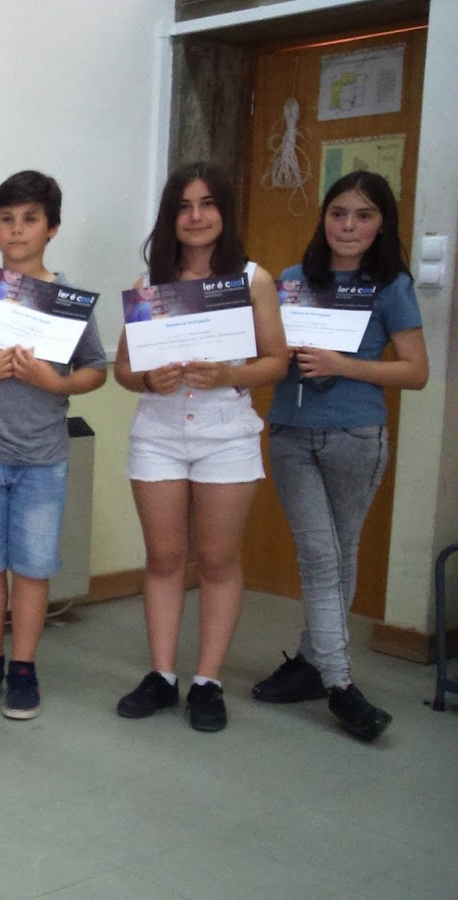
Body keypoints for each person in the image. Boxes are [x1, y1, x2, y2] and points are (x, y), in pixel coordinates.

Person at [251, 171, 427, 742]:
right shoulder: (292, 282)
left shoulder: (391, 285)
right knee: (319, 553)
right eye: (338, 213)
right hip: (291, 434)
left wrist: (341, 364)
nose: (348, 226)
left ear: (382, 225)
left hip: (356, 436)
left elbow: (416, 371)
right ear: (323, 218)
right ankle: (337, 682)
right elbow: (266, 354)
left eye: (363, 215)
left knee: (337, 553)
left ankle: (318, 667)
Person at [112, 161, 287, 732]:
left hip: (225, 433)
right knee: (164, 558)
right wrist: (148, 378)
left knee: (216, 560)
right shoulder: (150, 285)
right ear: (170, 216)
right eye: (184, 206)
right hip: (159, 433)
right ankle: (162, 676)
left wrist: (229, 374)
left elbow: (276, 361)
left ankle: (208, 682)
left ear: (224, 211)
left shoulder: (253, 280)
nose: (195, 216)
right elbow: (124, 369)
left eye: (207, 203)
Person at [0, 171, 107, 720]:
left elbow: (96, 368)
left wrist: (55, 383)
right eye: (6, 219)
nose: (17, 229)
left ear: (51, 228)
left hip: (43, 460)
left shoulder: (68, 302)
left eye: (30, 219)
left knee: (34, 568)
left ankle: (24, 667)